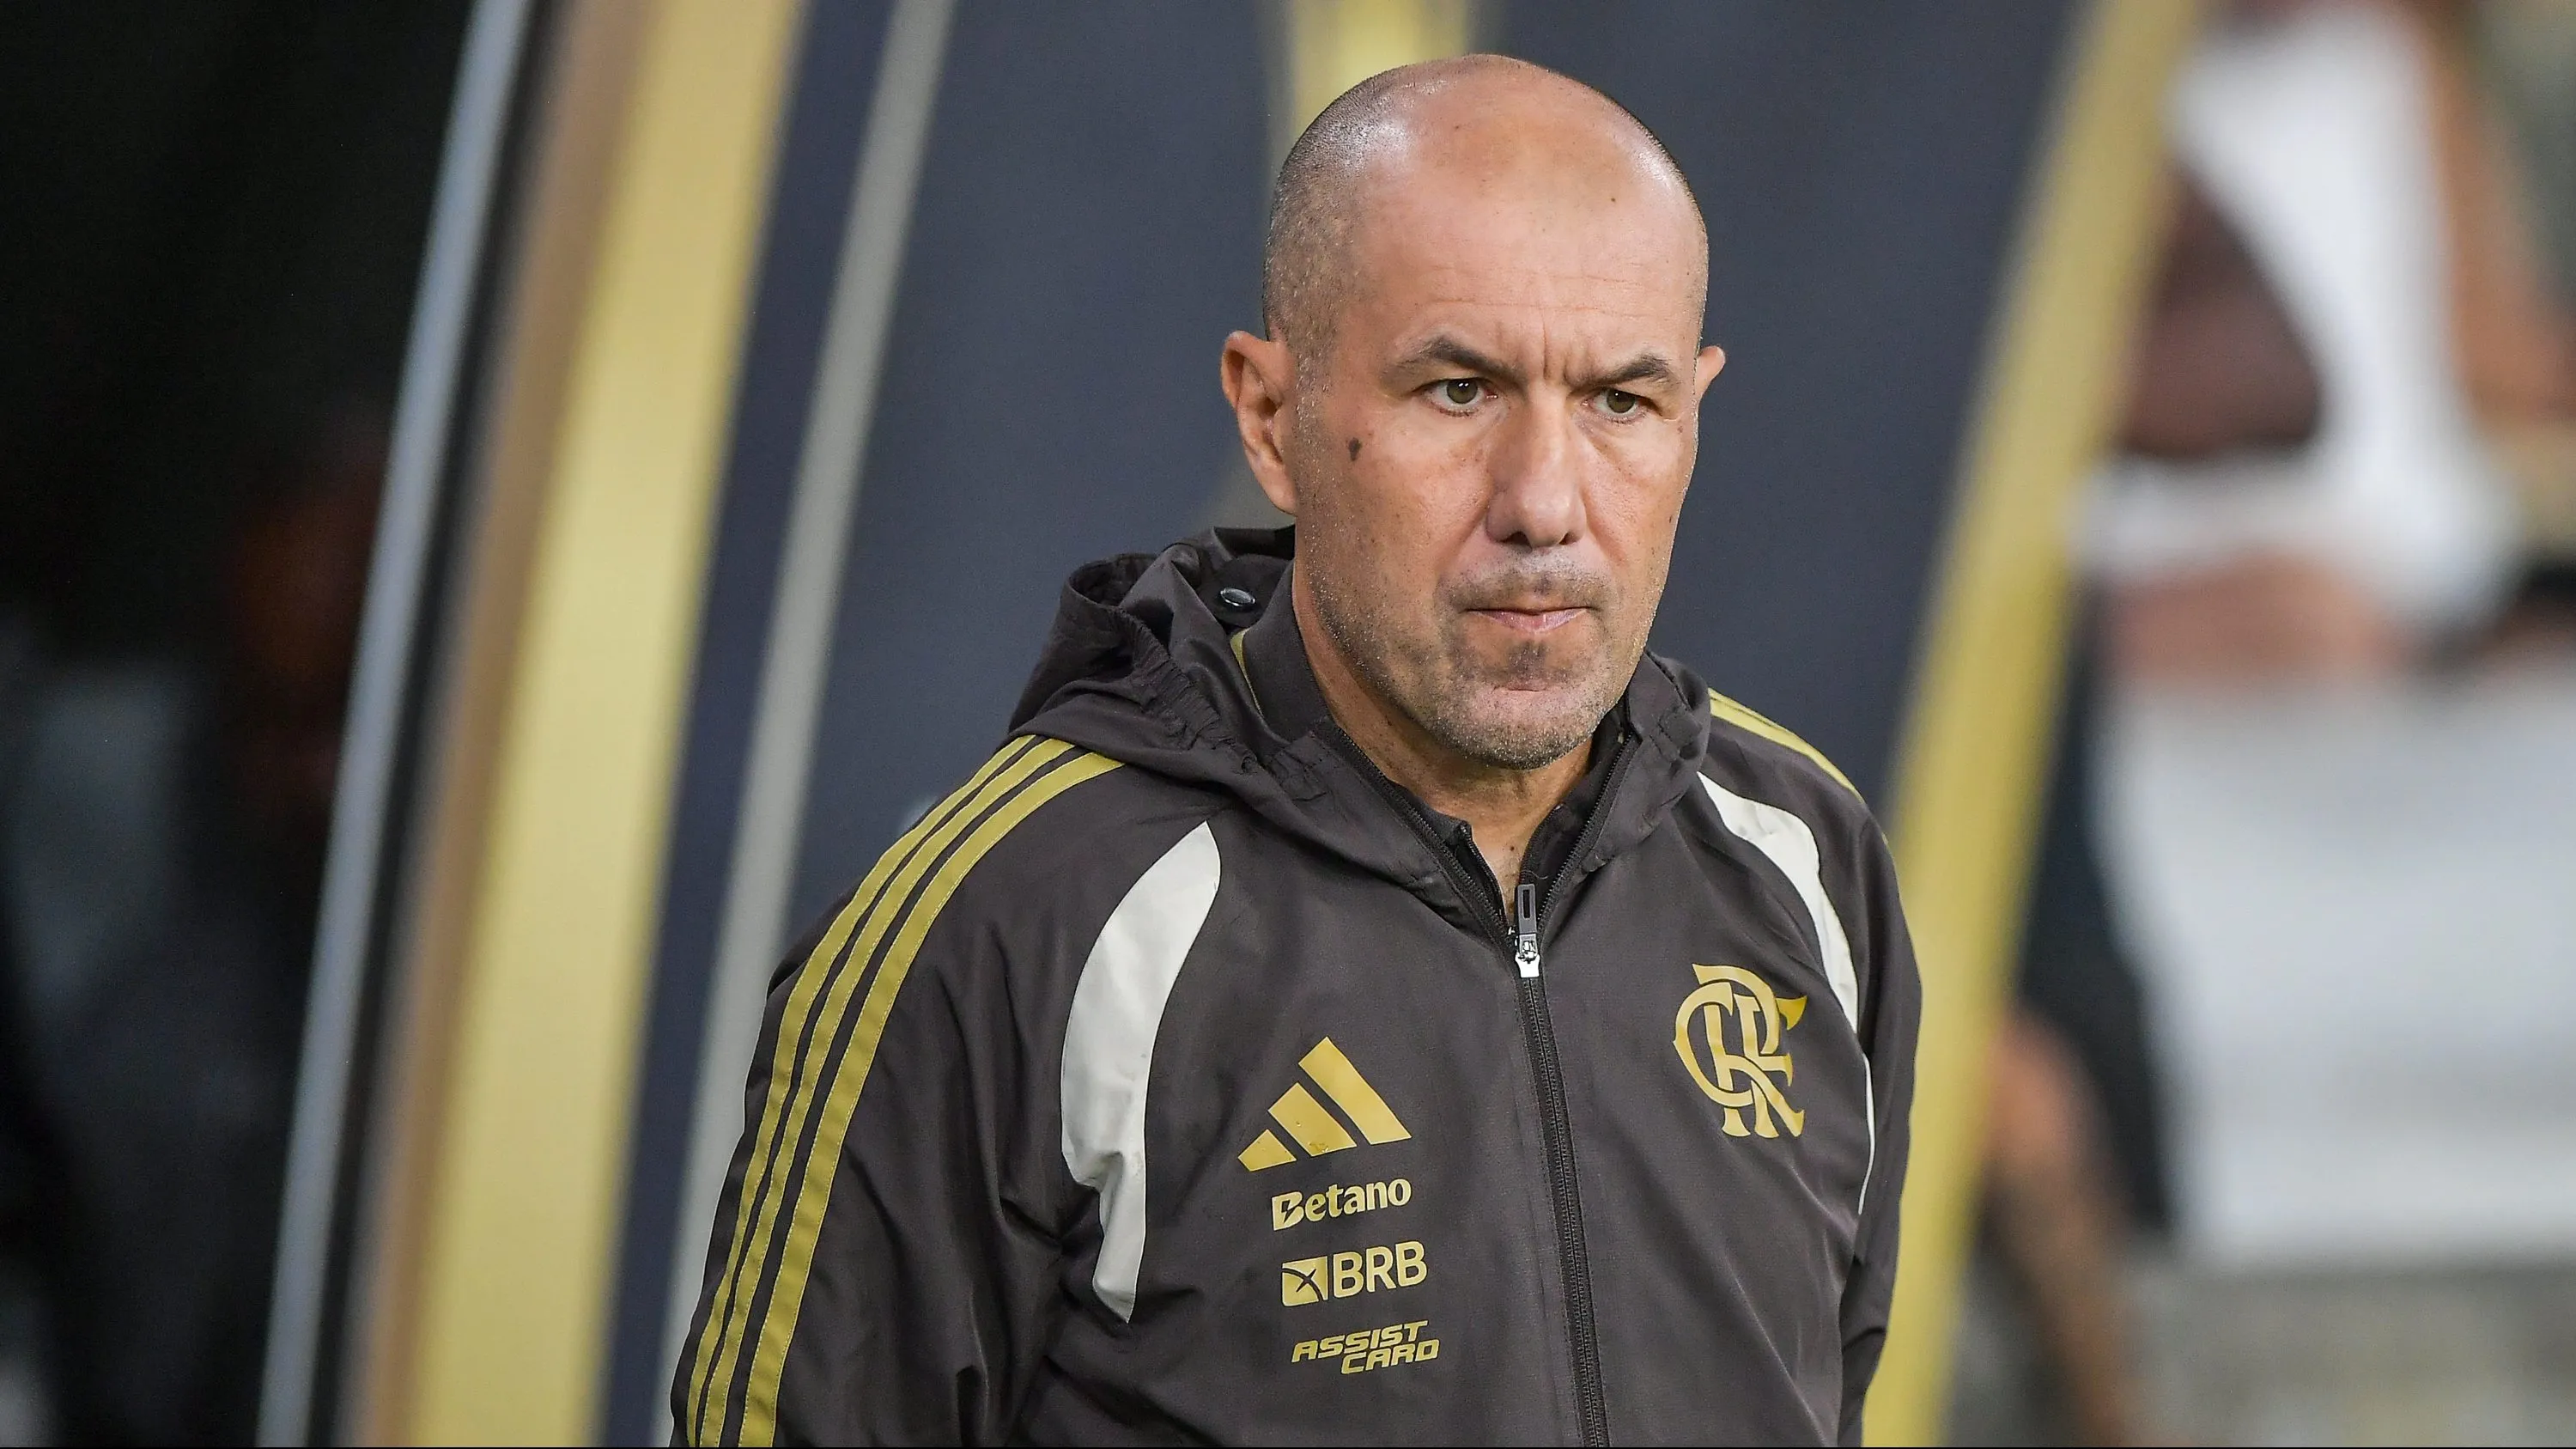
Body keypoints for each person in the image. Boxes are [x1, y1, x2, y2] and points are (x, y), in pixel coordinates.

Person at [672, 57, 1919, 1446]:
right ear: (1272, 417)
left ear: (1695, 413)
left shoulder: (1807, 865)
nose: (1545, 502)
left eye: (1622, 402)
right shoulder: (1012, 924)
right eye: (1460, 389)